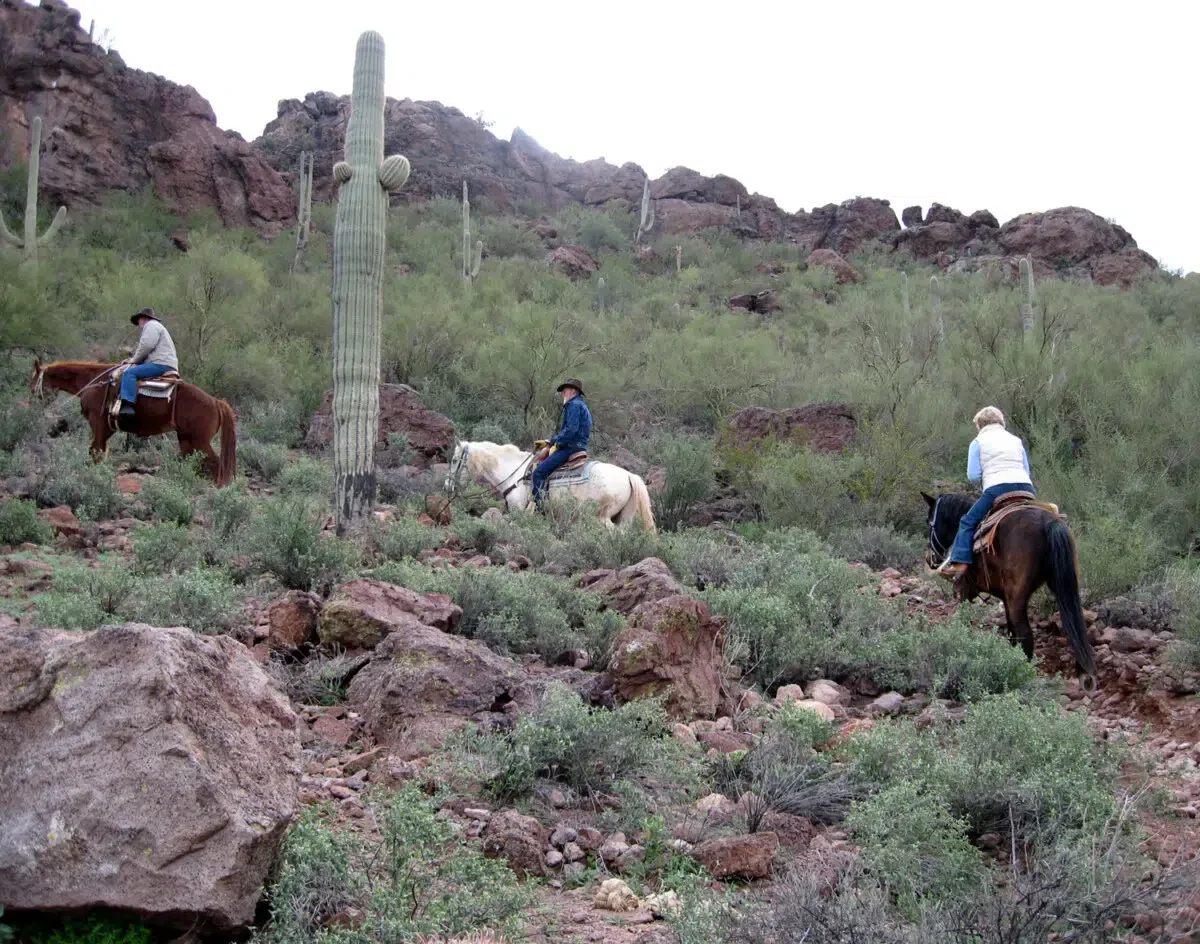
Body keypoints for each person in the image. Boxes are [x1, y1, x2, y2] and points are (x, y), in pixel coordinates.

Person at [937, 406, 1034, 579]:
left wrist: (985, 485)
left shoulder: (977, 442)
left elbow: (973, 475)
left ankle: (960, 564)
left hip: (997, 489)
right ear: (1001, 422)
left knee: (967, 522)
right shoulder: (1016, 440)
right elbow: (1026, 470)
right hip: (1026, 488)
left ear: (979, 425)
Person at [531, 379, 592, 508]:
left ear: (573, 391)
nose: (563, 393)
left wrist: (554, 443)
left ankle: (541, 510)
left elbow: (570, 430)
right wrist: (551, 442)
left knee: (538, 473)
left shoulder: (574, 405)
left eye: (565, 390)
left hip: (570, 447)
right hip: (579, 445)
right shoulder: (582, 405)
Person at [119, 308, 178, 417]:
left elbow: (146, 346)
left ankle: (128, 406)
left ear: (144, 318)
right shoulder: (158, 327)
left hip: (160, 363)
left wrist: (133, 361)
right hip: (165, 362)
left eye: (139, 320)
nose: (138, 324)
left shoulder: (151, 325)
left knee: (129, 373)